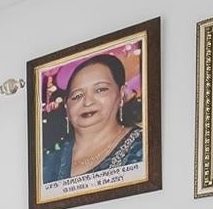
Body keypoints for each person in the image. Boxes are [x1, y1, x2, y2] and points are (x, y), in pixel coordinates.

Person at [42, 53, 143, 185]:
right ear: (67, 106)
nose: (87, 102)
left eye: (100, 90)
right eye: (77, 96)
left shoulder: (143, 146)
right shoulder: (47, 162)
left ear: (121, 94)